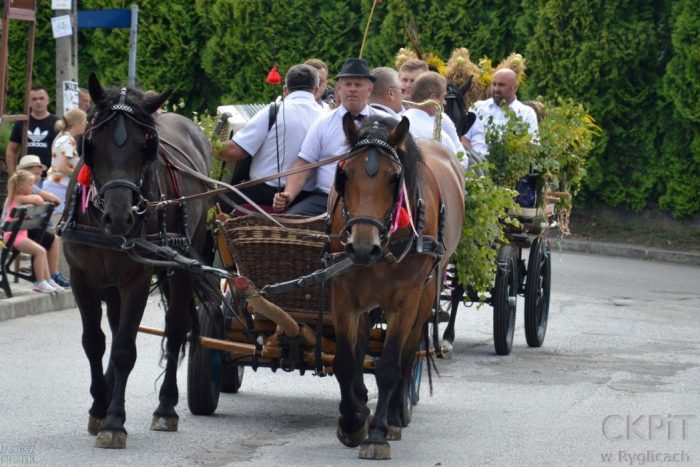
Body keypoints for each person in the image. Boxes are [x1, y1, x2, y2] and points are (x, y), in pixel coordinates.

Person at [273, 58, 386, 215]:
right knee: (291, 223)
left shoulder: (385, 123)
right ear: (339, 89)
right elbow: (303, 164)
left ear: (369, 90)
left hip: (369, 201)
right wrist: (288, 194)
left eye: (358, 85)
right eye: (347, 84)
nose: (352, 89)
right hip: (325, 199)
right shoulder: (322, 122)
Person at [217, 64, 324, 207]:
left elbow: (235, 151)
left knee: (209, 204)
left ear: (285, 90)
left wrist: (208, 144)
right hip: (307, 199)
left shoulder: (274, 111)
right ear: (316, 91)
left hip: (263, 194)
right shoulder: (327, 117)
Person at [9, 155, 71, 288]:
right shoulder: (28, 190)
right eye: (35, 174)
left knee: (54, 239)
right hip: (18, 233)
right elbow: (46, 198)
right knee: (48, 242)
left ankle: (52, 275)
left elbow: (49, 197)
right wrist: (42, 198)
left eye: (39, 174)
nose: (37, 177)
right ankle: (47, 277)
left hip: (24, 230)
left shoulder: (31, 187)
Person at [2, 170, 65, 293]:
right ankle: (40, 283)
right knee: (40, 251)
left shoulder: (21, 198)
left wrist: (36, 196)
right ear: (20, 186)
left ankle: (48, 280)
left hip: (18, 235)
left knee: (41, 250)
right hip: (12, 237)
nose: (33, 187)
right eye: (30, 184)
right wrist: (37, 196)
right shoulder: (18, 197)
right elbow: (38, 200)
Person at [464, 68, 539, 156]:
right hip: (474, 163)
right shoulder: (478, 107)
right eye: (494, 84)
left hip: (509, 166)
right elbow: (464, 139)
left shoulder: (526, 113)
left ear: (514, 88)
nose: (496, 89)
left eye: (501, 85)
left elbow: (532, 146)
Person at [5, 86, 58, 180]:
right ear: (28, 102)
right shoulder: (22, 122)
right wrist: (12, 175)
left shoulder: (57, 123)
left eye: (41, 98)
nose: (38, 102)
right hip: (25, 178)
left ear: (47, 100)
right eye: (34, 99)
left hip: (50, 178)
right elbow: (11, 150)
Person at [43, 108, 87, 217]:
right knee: (58, 222)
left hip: (54, 184)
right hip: (59, 187)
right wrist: (78, 175)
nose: (86, 123)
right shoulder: (69, 140)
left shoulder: (61, 136)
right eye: (84, 121)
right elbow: (62, 167)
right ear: (77, 123)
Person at [403, 72, 459, 155]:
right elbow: (461, 162)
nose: (444, 102)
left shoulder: (396, 120)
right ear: (432, 98)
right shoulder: (442, 137)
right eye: (443, 97)